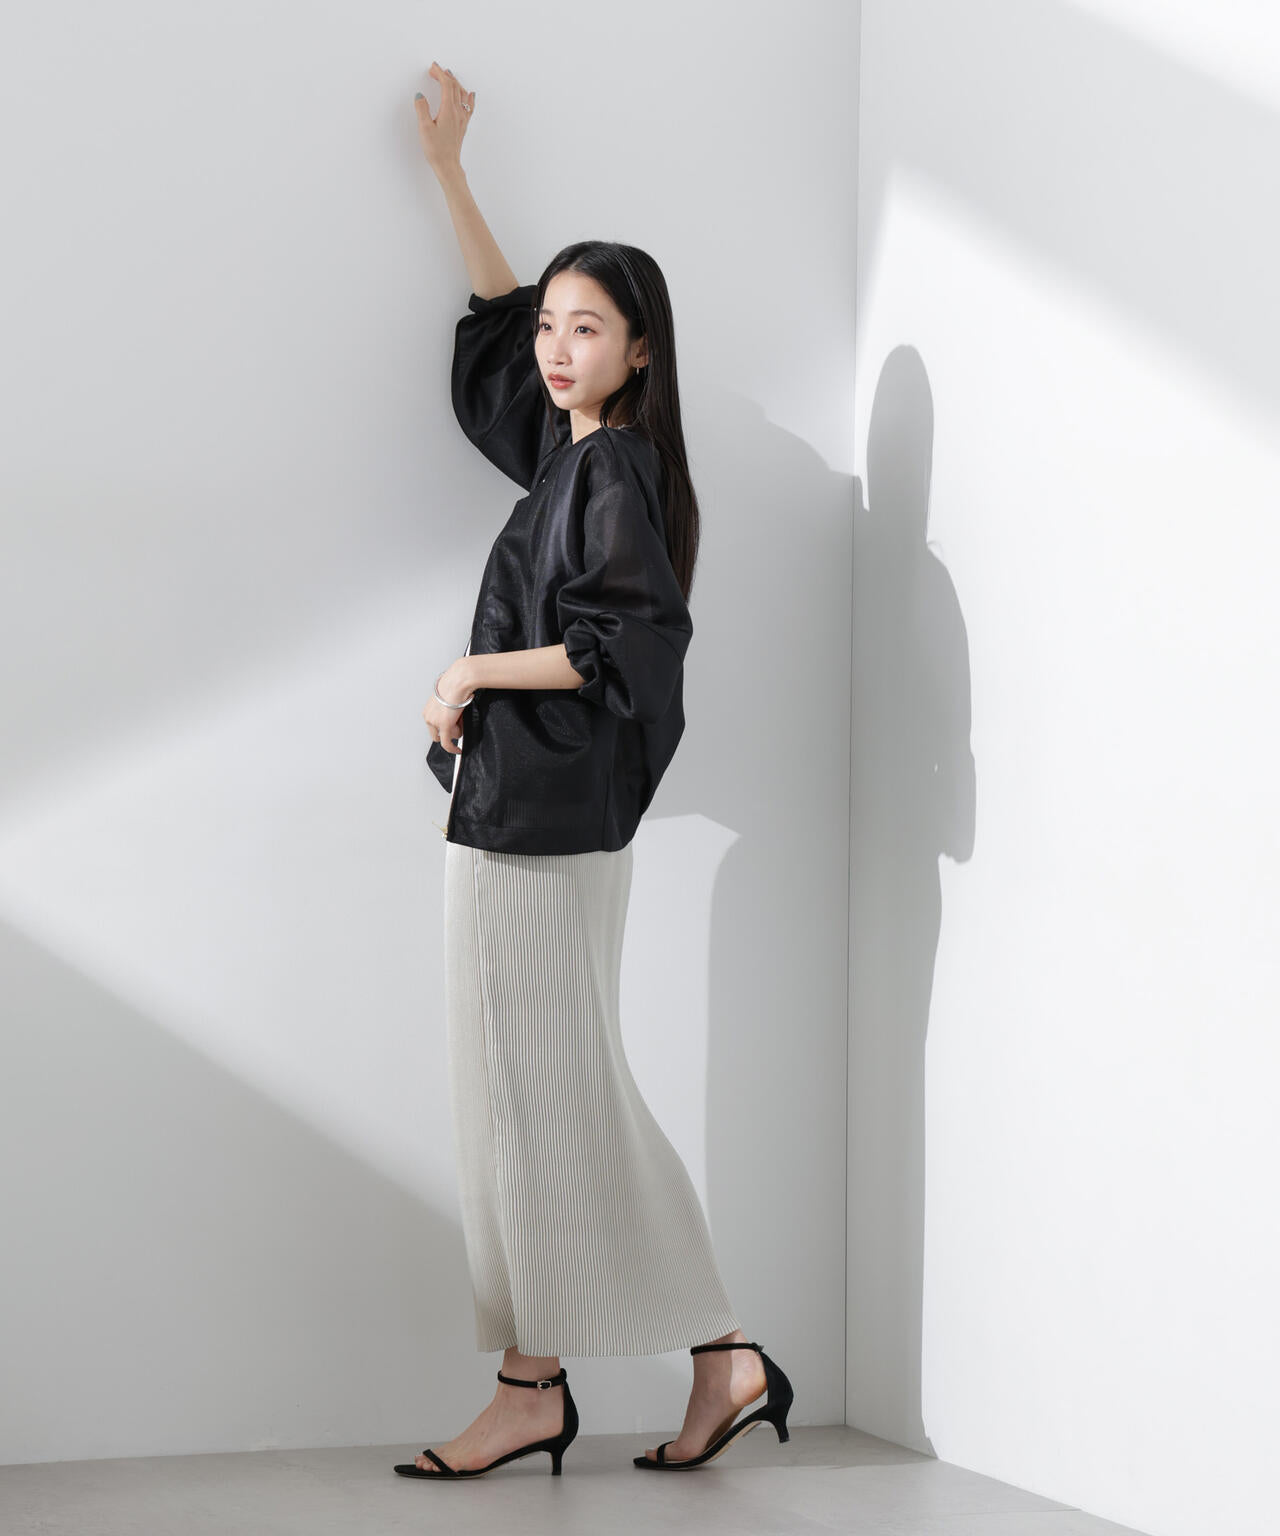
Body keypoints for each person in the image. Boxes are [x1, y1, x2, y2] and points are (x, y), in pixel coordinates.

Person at [393, 62, 794, 1481]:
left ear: (640, 353)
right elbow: (502, 335)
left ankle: (629, 1367)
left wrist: (467, 675)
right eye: (554, 326)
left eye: (588, 328)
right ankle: (579, 1376)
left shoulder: (612, 472)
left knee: (552, 1096)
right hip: (520, 819)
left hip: (543, 834)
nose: (556, 348)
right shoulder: (573, 457)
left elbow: (622, 648)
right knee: (531, 1097)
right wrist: (450, 172)